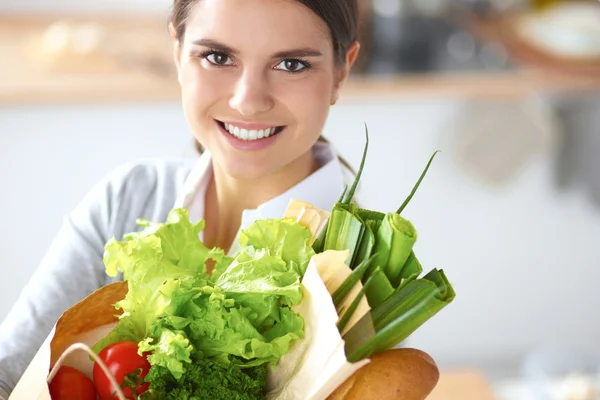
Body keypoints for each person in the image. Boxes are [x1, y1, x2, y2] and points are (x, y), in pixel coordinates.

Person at [0, 0, 361, 397]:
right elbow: (8, 373)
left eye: (291, 64)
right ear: (177, 51)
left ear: (342, 71)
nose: (247, 100)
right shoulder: (128, 200)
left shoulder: (357, 277)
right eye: (218, 56)